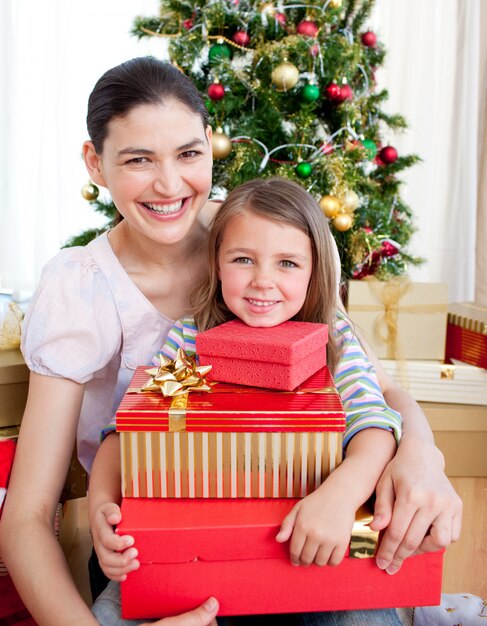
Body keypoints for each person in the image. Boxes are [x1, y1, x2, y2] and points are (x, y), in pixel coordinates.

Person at [0, 57, 461, 626]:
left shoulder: (266, 237)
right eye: (138, 159)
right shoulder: (92, 292)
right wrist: (102, 508)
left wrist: (423, 454)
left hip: (307, 524)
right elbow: (32, 511)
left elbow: (376, 394)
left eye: (188, 154)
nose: (170, 185)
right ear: (95, 163)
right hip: (159, 545)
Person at [90, 176, 404, 625]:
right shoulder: (191, 338)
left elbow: (374, 426)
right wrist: (103, 504)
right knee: (116, 614)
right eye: (243, 259)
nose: (263, 281)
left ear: (315, 269)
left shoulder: (335, 339)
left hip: (312, 550)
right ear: (217, 264)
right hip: (199, 550)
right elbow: (128, 431)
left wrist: (340, 495)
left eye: (288, 264)